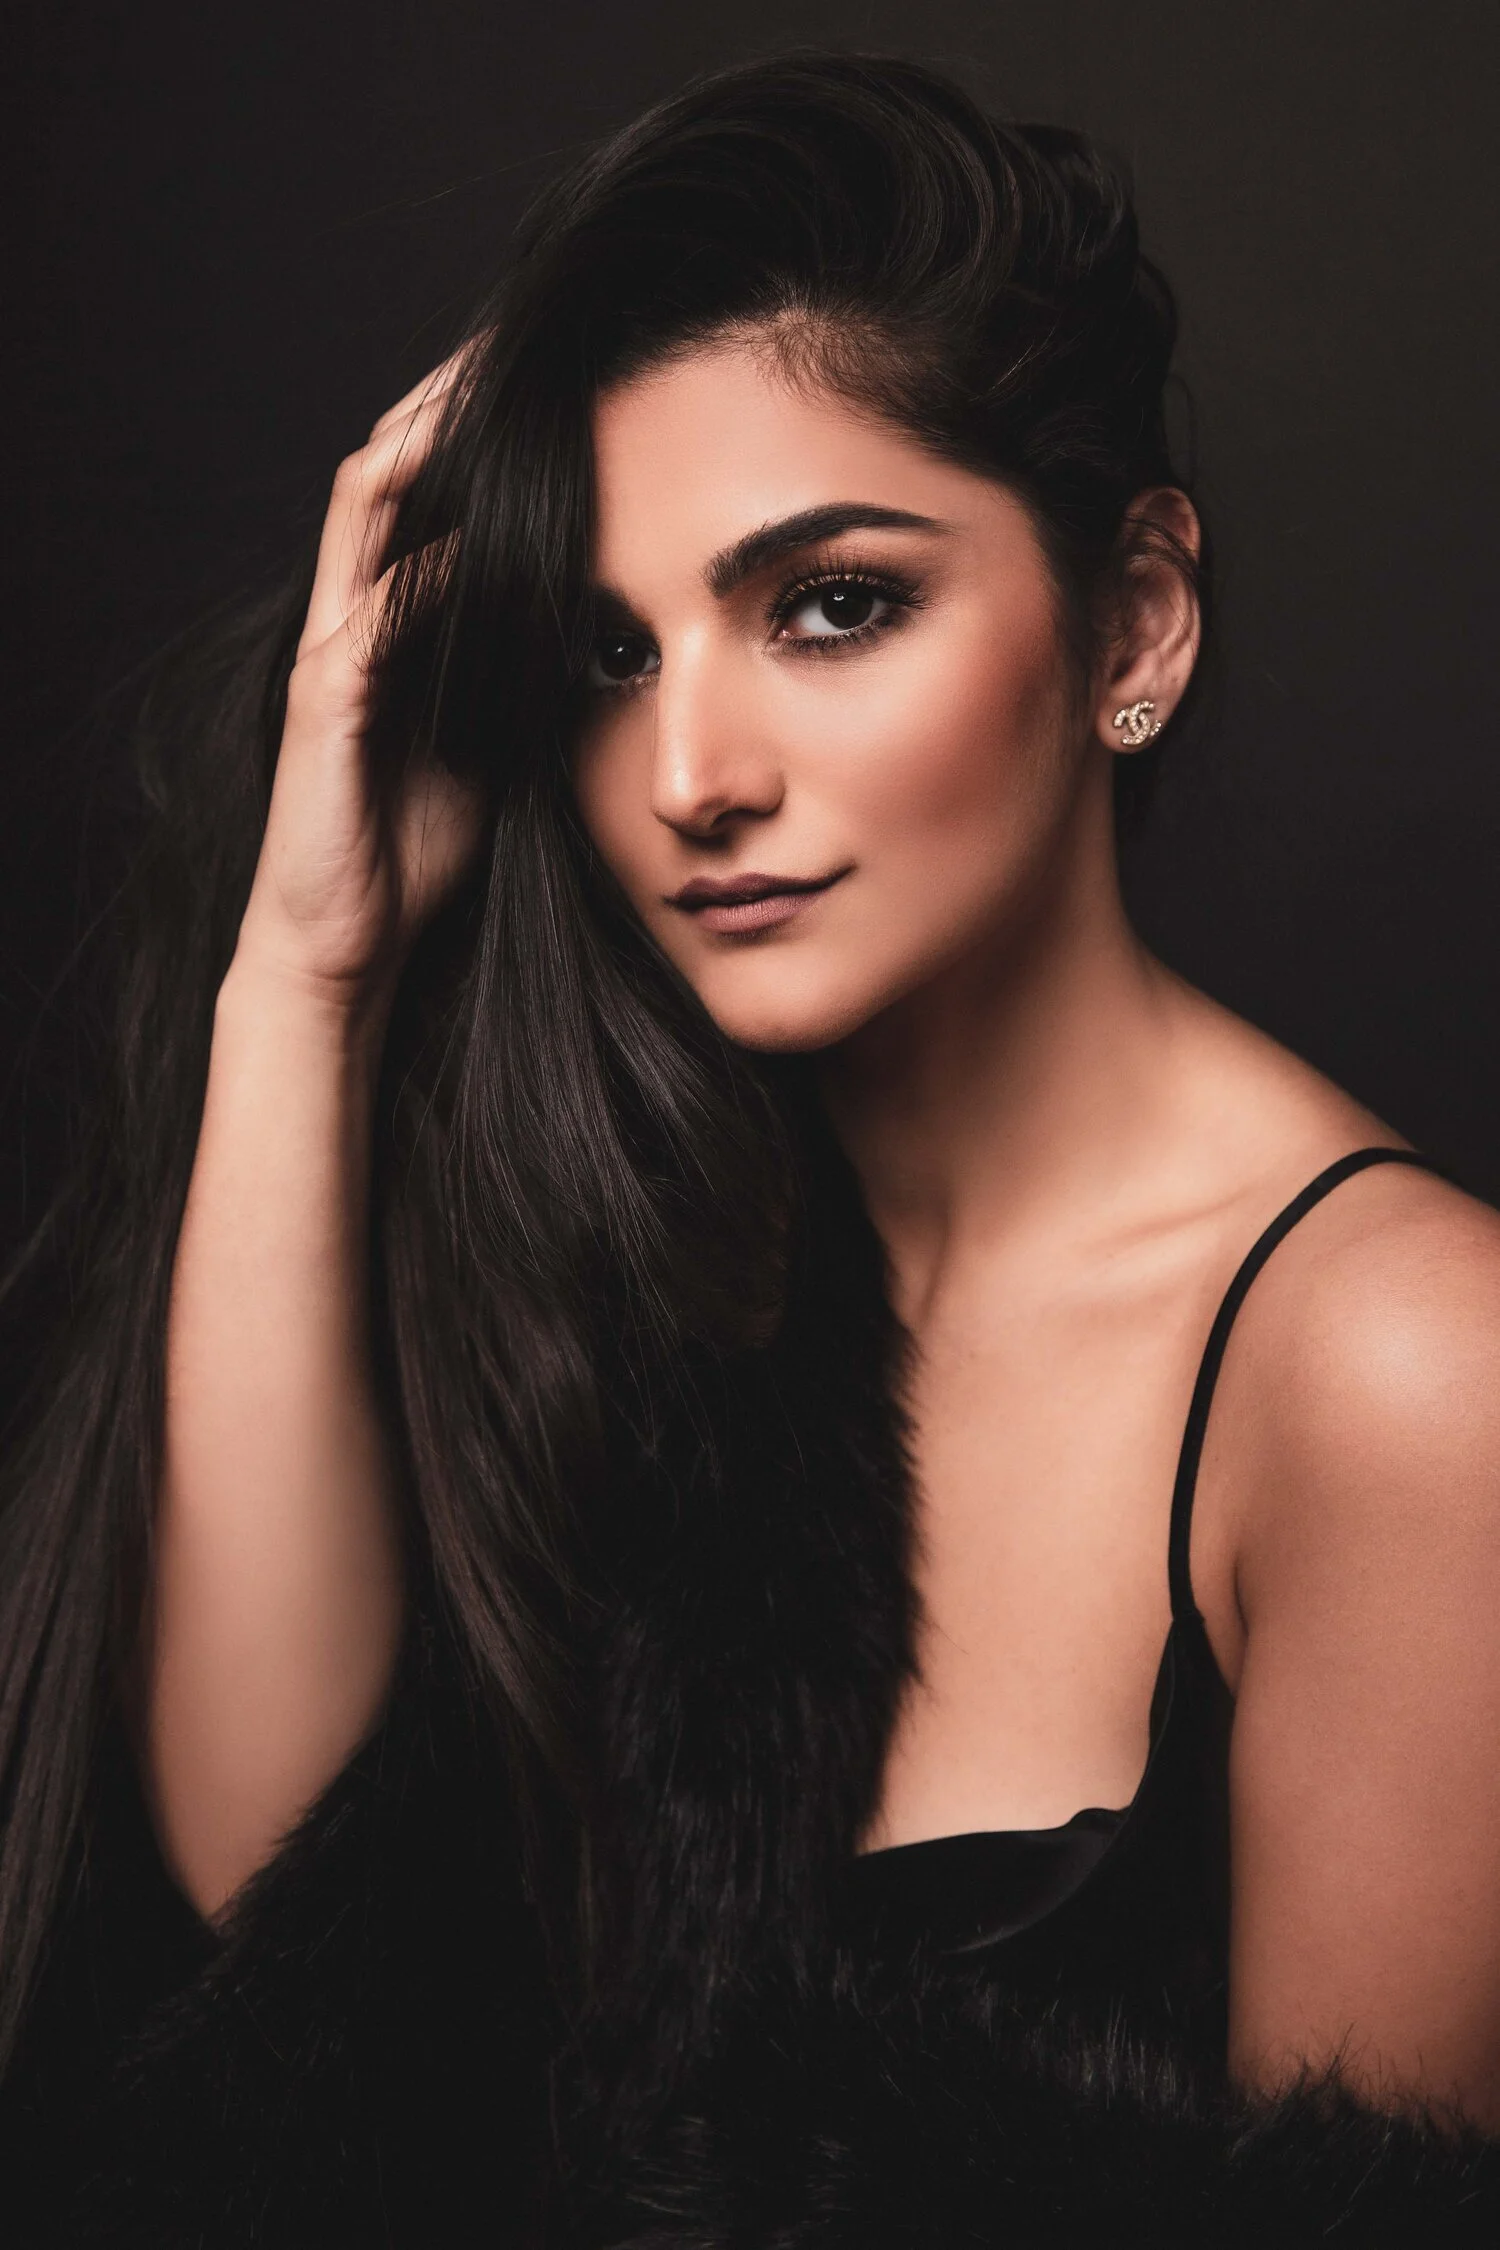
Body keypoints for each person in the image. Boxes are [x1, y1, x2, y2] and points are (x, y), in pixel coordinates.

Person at [2, 48, 1499, 2246]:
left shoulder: (1410, 1377)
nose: (690, 769)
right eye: (611, 652)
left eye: (829, 603)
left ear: (1136, 624)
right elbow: (284, 1913)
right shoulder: (678, 1233)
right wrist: (303, 970)